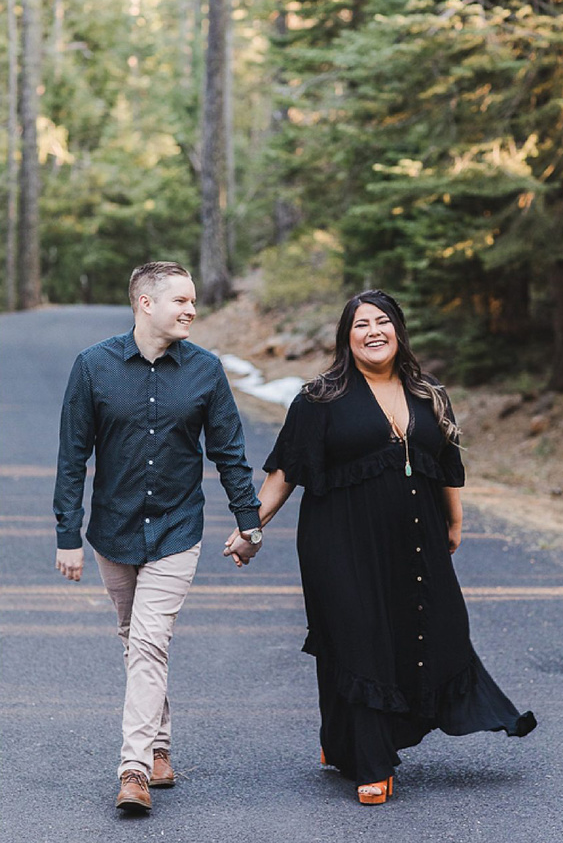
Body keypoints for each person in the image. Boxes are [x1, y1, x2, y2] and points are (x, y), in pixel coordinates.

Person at [225, 288, 536, 804]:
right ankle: (371, 761)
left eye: (382, 321)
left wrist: (454, 522)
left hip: (415, 540)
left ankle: (340, 737)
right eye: (361, 324)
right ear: (346, 338)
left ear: (398, 330)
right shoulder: (319, 398)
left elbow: (447, 465)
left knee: (429, 627)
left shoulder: (429, 393)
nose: (373, 331)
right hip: (339, 543)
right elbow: (285, 471)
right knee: (358, 637)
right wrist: (250, 528)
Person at [53, 261, 263, 814]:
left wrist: (249, 523)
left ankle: (134, 770)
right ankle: (160, 746)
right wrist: (67, 534)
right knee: (135, 639)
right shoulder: (93, 366)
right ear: (145, 303)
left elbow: (230, 453)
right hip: (113, 531)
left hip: (177, 529)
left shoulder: (206, 370)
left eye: (192, 301)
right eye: (181, 300)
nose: (192, 310)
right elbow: (73, 457)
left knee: (149, 643)